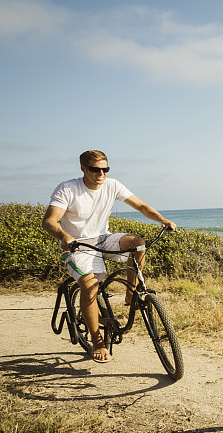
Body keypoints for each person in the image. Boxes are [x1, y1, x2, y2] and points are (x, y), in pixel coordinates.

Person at [42, 150, 176, 363]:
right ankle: (97, 342)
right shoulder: (68, 189)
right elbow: (49, 221)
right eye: (95, 169)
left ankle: (131, 294)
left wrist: (162, 219)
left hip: (103, 238)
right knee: (90, 286)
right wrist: (65, 237)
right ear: (83, 169)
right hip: (78, 246)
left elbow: (140, 206)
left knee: (138, 244)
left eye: (105, 169)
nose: (101, 174)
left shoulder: (112, 185)